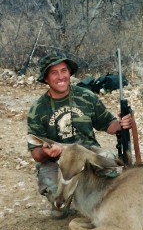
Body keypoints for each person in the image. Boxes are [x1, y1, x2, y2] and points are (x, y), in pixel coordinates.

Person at [27, 53, 132, 219]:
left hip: (88, 155)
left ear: (69, 73)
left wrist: (122, 124)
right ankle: (70, 199)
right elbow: (36, 153)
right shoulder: (37, 109)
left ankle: (102, 200)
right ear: (46, 79)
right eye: (54, 73)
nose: (61, 77)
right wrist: (47, 152)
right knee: (58, 209)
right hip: (60, 160)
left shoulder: (86, 96)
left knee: (116, 169)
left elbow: (108, 125)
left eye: (64, 71)